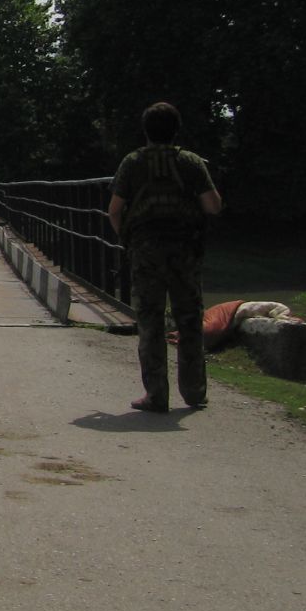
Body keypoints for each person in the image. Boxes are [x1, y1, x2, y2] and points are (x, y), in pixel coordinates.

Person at [107, 102, 222, 413]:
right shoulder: (191, 162)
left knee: (150, 321)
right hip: (185, 251)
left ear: (145, 130)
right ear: (176, 130)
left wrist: (128, 240)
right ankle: (194, 391)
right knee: (189, 320)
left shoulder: (132, 163)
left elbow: (115, 210)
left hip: (146, 252)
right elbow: (212, 205)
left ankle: (156, 395)